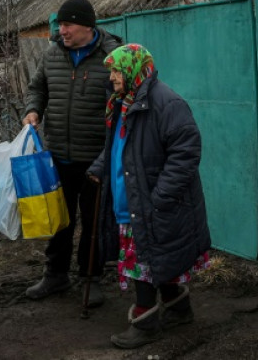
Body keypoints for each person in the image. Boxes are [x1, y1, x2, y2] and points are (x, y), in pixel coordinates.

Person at [87, 43, 211, 349]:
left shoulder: (165, 103)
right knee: (158, 258)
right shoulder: (123, 101)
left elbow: (186, 152)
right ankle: (180, 310)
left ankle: (145, 324)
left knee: (142, 262)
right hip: (132, 198)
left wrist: (160, 196)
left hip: (149, 201)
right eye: (112, 71)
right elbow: (119, 145)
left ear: (133, 69)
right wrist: (100, 167)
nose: (112, 77)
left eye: (117, 70)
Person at [22, 0, 122, 306]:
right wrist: (33, 110)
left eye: (67, 25)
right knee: (59, 219)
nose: (61, 30)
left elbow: (125, 96)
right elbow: (37, 87)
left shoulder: (111, 56)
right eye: (61, 25)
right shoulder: (53, 55)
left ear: (86, 26)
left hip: (95, 158)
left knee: (94, 221)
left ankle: (91, 278)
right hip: (59, 155)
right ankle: (55, 275)